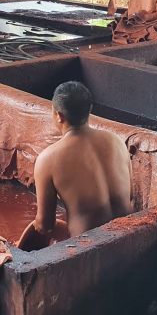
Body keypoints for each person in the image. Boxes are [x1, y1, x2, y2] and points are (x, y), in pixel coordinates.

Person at [17, 81, 133, 250]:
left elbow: (44, 225)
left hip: (89, 251)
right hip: (130, 239)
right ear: (89, 110)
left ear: (59, 115)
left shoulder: (47, 159)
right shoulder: (117, 142)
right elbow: (131, 196)